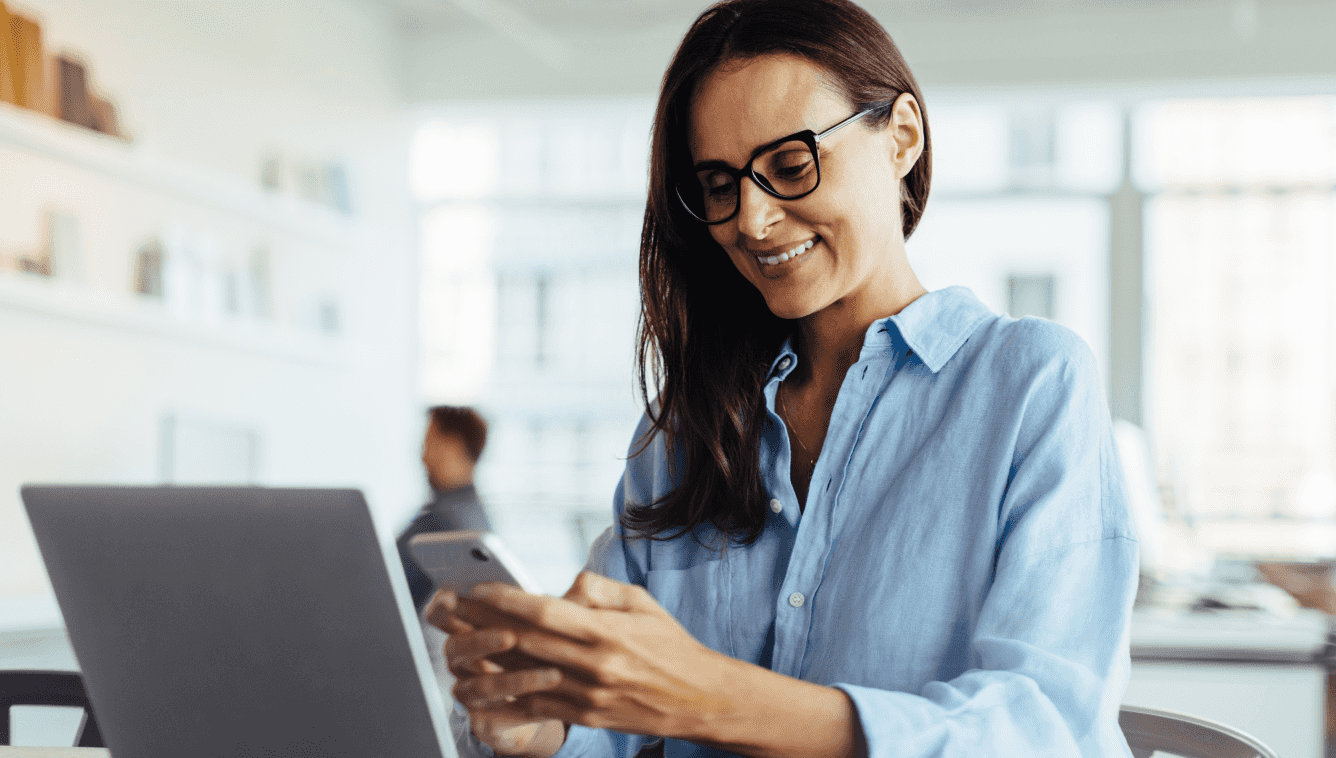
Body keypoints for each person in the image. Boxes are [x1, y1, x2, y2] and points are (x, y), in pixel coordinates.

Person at [426, 1, 1139, 756]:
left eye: (791, 166)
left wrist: (709, 697)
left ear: (901, 135)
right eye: (719, 184)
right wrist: (535, 724)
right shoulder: (682, 432)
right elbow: (612, 735)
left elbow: (1046, 730)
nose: (752, 221)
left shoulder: (1030, 384)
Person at [397, 405, 494, 611]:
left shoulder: (443, 523)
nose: (423, 457)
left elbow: (390, 590)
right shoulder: (475, 515)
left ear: (454, 445)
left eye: (429, 443)